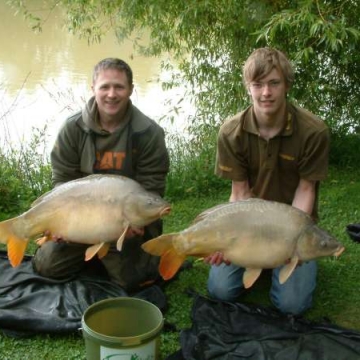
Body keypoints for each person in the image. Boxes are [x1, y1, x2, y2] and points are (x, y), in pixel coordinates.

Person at [206, 47, 330, 315]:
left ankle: (285, 257)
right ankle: (258, 257)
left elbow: (306, 189)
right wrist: (225, 239)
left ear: (286, 85)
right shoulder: (231, 132)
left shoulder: (313, 131)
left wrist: (292, 238)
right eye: (258, 84)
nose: (266, 93)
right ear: (247, 87)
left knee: (292, 305)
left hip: (293, 224)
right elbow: (239, 195)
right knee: (220, 291)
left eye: (274, 83)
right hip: (249, 222)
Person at [32, 58, 170, 291]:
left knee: (131, 280)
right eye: (105, 87)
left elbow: (152, 187)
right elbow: (62, 181)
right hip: (79, 217)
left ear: (131, 90)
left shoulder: (148, 132)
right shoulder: (72, 128)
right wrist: (59, 223)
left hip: (126, 218)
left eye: (119, 87)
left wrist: (139, 223)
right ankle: (93, 252)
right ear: (93, 88)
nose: (111, 94)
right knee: (48, 267)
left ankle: (112, 255)